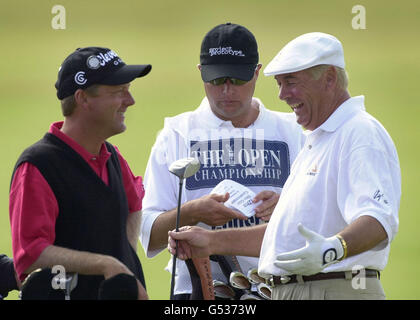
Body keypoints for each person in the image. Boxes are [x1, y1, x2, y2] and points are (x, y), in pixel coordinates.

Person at [169, 32, 401, 300]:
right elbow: (285, 240)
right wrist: (210, 241)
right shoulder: (318, 139)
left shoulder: (359, 132)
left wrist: (333, 249)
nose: (281, 95)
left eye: (291, 82)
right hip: (302, 289)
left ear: (329, 78)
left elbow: (378, 220)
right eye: (279, 84)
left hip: (333, 289)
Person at [140, 23, 305, 299]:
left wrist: (285, 210)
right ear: (200, 73)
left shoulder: (292, 133)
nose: (227, 91)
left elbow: (321, 223)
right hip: (197, 291)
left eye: (238, 79)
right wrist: (193, 212)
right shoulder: (177, 134)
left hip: (279, 290)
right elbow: (149, 234)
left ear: (256, 72)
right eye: (217, 80)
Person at [9, 47, 152, 300]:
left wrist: (126, 256)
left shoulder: (112, 155)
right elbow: (30, 255)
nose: (130, 101)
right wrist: (108, 265)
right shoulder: (38, 166)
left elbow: (134, 203)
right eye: (119, 91)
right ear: (83, 98)